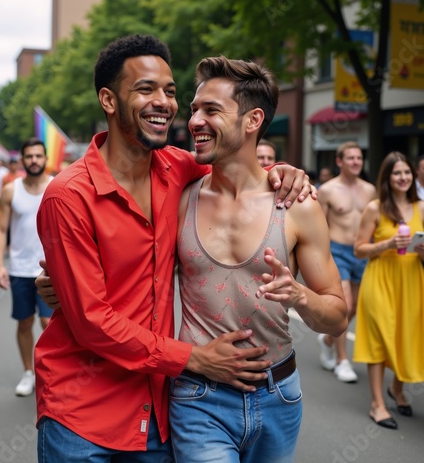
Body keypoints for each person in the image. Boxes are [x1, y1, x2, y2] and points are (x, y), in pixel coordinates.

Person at [34, 34, 315, 462]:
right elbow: (92, 321)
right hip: (82, 415)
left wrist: (284, 171)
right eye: (145, 89)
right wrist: (195, 360)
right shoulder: (68, 195)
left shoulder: (179, 167)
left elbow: (238, 162)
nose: (164, 101)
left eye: (169, 91)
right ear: (108, 101)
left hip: (156, 411)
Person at [168, 56, 347, 462]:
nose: (194, 120)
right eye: (195, 109)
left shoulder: (297, 205)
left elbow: (337, 319)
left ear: (252, 121)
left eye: (211, 110)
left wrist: (299, 294)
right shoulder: (179, 200)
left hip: (279, 396)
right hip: (199, 397)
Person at [353, 151, 424, 430]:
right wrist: (387, 244)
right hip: (380, 278)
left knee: (407, 336)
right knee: (379, 339)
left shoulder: (421, 207)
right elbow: (359, 249)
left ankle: (397, 388)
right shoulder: (375, 207)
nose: (403, 177)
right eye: (397, 173)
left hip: (411, 280)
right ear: (387, 176)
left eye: (407, 172)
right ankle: (377, 404)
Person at [0, 138, 53, 397]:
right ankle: (28, 372)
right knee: (25, 322)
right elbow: (0, 229)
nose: (34, 161)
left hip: (50, 269)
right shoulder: (10, 190)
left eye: (38, 156)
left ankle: (52, 373)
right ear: (22, 160)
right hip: (19, 268)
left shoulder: (57, 186)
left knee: (48, 322)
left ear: (45, 158)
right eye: (29, 157)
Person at [316, 142, 376, 382]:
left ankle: (328, 339)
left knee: (356, 308)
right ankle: (342, 360)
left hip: (362, 252)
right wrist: (322, 258)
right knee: (345, 307)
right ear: (339, 161)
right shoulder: (328, 190)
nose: (356, 162)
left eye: (359, 158)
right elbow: (319, 227)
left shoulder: (370, 190)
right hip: (337, 251)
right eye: (350, 158)